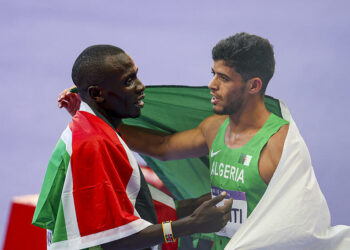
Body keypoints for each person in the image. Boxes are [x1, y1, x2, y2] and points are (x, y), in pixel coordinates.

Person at [58, 33, 288, 249]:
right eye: (214, 74)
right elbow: (162, 147)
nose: (212, 84)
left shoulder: (278, 143)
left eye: (224, 78)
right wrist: (101, 118)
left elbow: (294, 218)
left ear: (254, 85)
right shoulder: (215, 128)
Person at [33, 45, 233, 250]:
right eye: (128, 81)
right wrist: (191, 224)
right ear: (96, 93)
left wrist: (195, 205)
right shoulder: (92, 143)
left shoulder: (100, 132)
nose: (141, 86)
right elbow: (114, 239)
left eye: (136, 76)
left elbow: (134, 207)